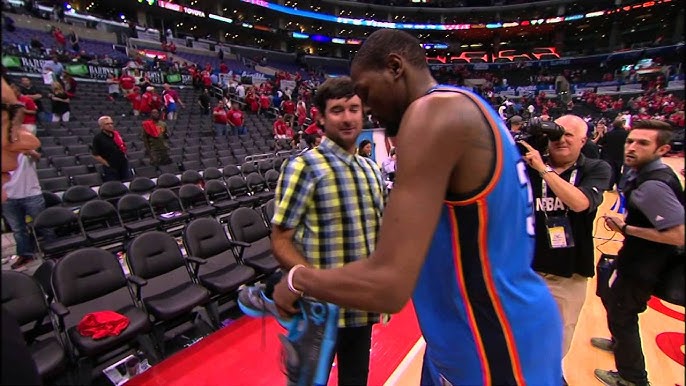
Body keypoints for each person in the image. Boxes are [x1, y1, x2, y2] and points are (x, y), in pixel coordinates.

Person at [271, 29, 562, 386]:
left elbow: (389, 286)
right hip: (467, 333)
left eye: (364, 93)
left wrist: (298, 280)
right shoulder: (463, 105)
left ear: (395, 67)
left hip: (493, 342)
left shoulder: (431, 112)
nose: (366, 108)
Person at [271, 77, 387, 385]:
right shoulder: (303, 167)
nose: (347, 117)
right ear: (321, 117)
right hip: (318, 313)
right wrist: (313, 283)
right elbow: (280, 240)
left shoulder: (371, 170)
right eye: (337, 110)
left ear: (364, 113)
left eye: (353, 108)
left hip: (361, 307)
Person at [520, 115, 611, 384]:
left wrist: (543, 170)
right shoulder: (528, 163)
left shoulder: (596, 168)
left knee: (556, 342)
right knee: (519, 336)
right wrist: (528, 137)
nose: (561, 139)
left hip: (567, 274)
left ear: (584, 140)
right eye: (556, 133)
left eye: (570, 135)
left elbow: (580, 202)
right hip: (527, 270)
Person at [595, 120, 684, 386]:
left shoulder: (653, 184)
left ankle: (632, 378)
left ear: (662, 149)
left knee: (623, 314)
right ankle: (620, 343)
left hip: (645, 264)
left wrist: (627, 228)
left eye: (642, 143)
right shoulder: (644, 173)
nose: (631, 147)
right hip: (636, 257)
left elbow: (680, 235)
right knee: (611, 298)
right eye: (630, 141)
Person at [1, 76, 42, 385]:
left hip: (30, 192)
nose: (27, 141)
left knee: (38, 228)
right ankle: (25, 253)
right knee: (19, 231)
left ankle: (39, 249)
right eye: (6, 115)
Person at [92, 116, 132, 182]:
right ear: (101, 126)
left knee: (127, 183)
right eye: (107, 124)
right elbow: (95, 155)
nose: (110, 125)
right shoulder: (98, 138)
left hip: (123, 164)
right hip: (111, 168)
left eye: (111, 123)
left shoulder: (116, 135)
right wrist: (107, 164)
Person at [598, 118, 628, 190]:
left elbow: (601, 143)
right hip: (621, 155)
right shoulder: (627, 134)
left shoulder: (608, 134)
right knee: (620, 170)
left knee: (612, 170)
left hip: (609, 155)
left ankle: (609, 186)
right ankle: (620, 186)